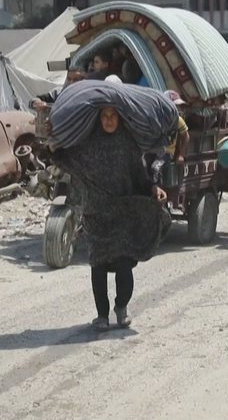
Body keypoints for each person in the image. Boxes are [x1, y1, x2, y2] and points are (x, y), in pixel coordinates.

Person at [54, 107, 169, 331]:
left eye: (113, 116)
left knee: (125, 265)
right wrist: (51, 147)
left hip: (123, 212)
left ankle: (121, 307)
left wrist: (154, 188)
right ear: (98, 119)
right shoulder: (87, 144)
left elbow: (139, 175)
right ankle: (102, 315)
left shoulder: (127, 145)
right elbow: (67, 160)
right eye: (104, 116)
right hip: (95, 214)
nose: (108, 120)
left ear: (119, 117)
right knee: (98, 264)